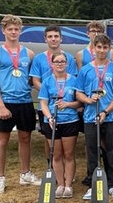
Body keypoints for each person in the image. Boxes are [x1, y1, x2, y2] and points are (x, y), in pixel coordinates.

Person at [0, 14, 39, 195]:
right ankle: (0, 177)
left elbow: (34, 79)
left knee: (25, 138)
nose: (13, 32)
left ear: (21, 30)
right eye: (10, 29)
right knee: (2, 140)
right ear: (3, 31)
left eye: (16, 29)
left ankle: (25, 173)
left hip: (24, 101)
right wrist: (0, 105)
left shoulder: (29, 54)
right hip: (5, 102)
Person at [76, 33, 113, 200]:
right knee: (92, 151)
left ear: (109, 48)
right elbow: (78, 93)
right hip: (91, 116)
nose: (102, 50)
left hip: (110, 117)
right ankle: (93, 184)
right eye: (99, 47)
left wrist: (106, 112)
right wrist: (89, 100)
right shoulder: (85, 70)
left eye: (105, 47)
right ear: (94, 48)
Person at [30, 25, 78, 170]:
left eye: (56, 36)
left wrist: (65, 99)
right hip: (47, 105)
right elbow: (35, 80)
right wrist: (48, 93)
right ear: (45, 39)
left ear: (61, 38)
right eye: (50, 36)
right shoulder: (39, 59)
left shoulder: (68, 58)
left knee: (67, 143)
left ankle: (67, 171)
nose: (53, 39)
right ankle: (51, 166)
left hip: (67, 106)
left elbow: (73, 81)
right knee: (49, 138)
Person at [38, 52, 81, 198]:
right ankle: (60, 183)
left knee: (69, 154)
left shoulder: (74, 80)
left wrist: (68, 104)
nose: (60, 64)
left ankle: (68, 185)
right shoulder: (47, 81)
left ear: (67, 64)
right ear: (52, 64)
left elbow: (80, 102)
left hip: (70, 121)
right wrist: (49, 117)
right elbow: (43, 103)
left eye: (63, 61)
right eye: (57, 61)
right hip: (52, 122)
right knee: (56, 155)